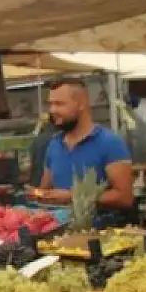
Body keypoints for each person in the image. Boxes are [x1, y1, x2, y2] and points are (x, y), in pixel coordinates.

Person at [36, 78, 135, 215]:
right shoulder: (54, 145)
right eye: (50, 104)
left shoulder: (110, 143)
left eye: (59, 104)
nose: (52, 110)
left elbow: (124, 197)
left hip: (99, 231)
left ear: (81, 104)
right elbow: (44, 192)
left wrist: (72, 196)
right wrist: (37, 194)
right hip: (59, 230)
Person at [30, 113, 59, 187]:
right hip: (56, 183)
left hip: (39, 181)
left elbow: (33, 163)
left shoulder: (37, 140)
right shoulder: (60, 137)